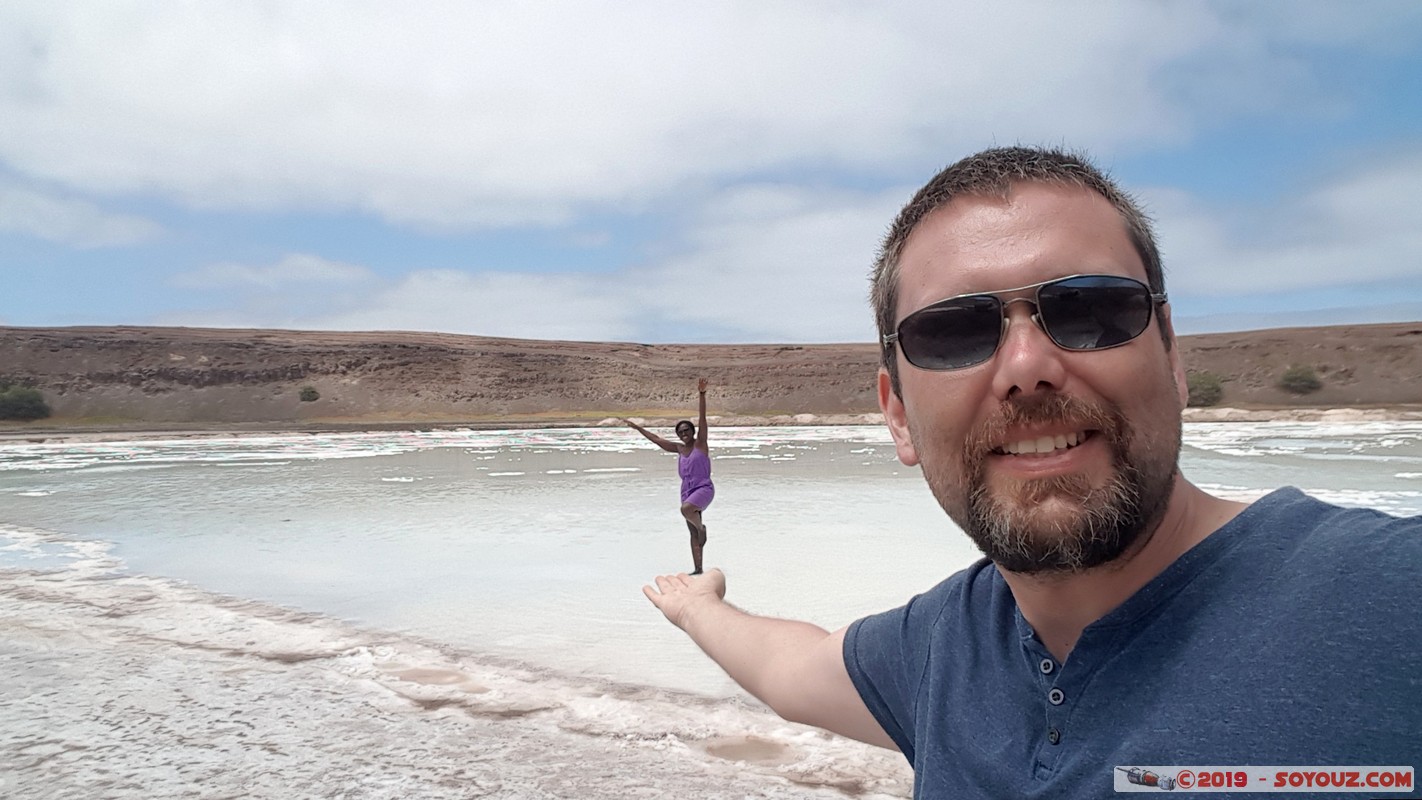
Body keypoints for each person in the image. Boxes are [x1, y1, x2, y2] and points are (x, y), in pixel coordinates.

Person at [643, 146, 1421, 797]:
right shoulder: (944, 649)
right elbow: (792, 668)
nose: (1027, 366)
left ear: (1175, 357)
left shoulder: (1391, 602)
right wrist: (697, 607)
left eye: (1090, 310)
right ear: (898, 414)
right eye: (954, 331)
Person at [624, 378, 714, 575]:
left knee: (687, 510)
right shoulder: (679, 448)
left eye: (687, 430)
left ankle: (702, 528)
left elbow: (702, 418)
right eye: (680, 432)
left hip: (704, 488)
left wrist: (701, 394)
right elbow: (656, 440)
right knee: (691, 530)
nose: (684, 433)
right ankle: (698, 568)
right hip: (687, 489)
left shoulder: (701, 444)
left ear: (692, 431)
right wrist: (638, 428)